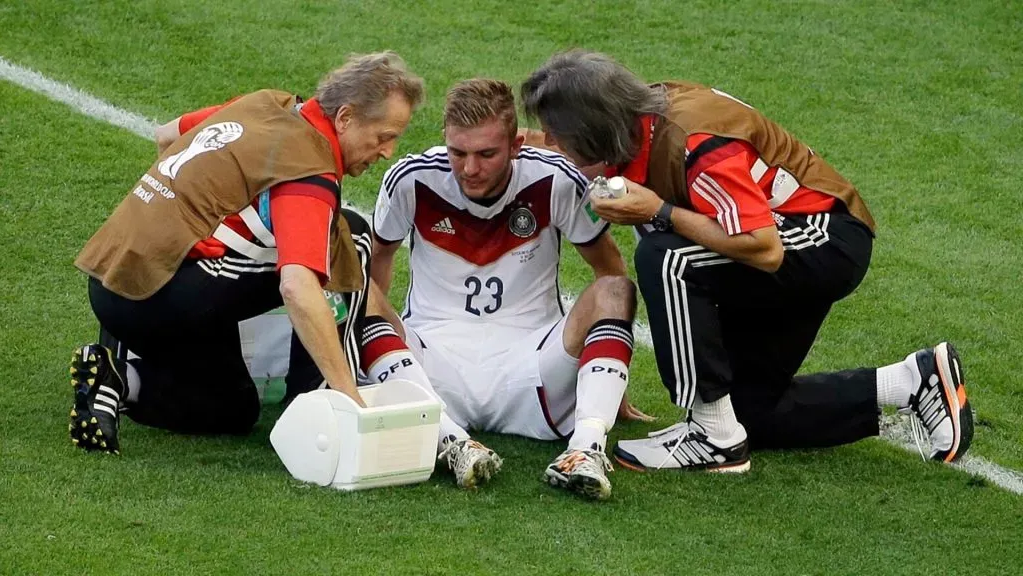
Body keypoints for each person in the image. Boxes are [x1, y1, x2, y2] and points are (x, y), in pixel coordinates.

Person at [519, 50, 973, 473]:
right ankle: (910, 382)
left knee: (666, 255)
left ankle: (712, 436)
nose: (552, 141)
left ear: (595, 129)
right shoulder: (637, 116)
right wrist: (527, 142)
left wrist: (656, 211)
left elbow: (763, 246)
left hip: (819, 239)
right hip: (800, 236)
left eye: (559, 133)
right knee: (752, 412)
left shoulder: (695, 143)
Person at [69, 52, 424, 455]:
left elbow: (166, 136)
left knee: (232, 408)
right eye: (384, 136)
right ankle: (321, 403)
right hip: (164, 297)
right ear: (345, 118)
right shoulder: (308, 173)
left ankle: (117, 379)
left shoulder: (263, 104)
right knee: (349, 238)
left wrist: (172, 221)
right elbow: (296, 288)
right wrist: (353, 402)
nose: (388, 151)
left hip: (109, 278)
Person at [370, 79, 645, 500]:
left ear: (515, 145)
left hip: (533, 367)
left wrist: (609, 379)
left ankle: (585, 449)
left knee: (616, 290)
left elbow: (607, 267)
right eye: (457, 152)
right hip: (435, 369)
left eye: (486, 154)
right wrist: (380, 346)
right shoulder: (411, 179)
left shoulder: (554, 179)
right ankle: (450, 441)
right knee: (358, 296)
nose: (469, 169)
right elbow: (379, 262)